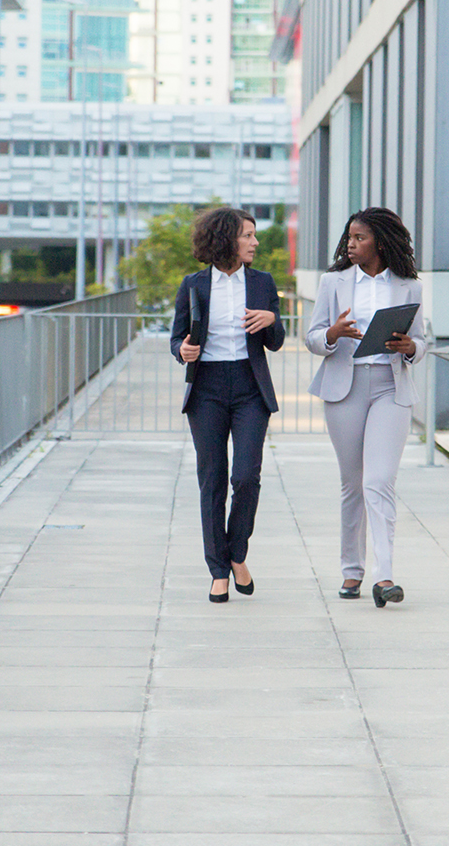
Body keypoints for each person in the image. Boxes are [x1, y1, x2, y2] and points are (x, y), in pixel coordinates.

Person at [306, 207, 428, 609]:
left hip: (390, 388)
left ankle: (385, 575)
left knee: (379, 480)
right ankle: (351, 570)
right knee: (353, 483)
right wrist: (332, 333)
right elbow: (312, 337)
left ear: (380, 241)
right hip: (346, 387)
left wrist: (410, 347)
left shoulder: (409, 286)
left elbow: (421, 341)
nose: (351, 244)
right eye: (349, 238)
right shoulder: (333, 282)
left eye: (360, 238)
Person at [171, 206, 285, 604]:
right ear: (225, 240)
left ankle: (237, 551)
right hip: (207, 389)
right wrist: (182, 350)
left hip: (251, 388)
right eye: (247, 235)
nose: (255, 242)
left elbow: (276, 341)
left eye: (254, 235)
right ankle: (219, 570)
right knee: (213, 480)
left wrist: (271, 320)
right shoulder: (194, 285)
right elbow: (177, 338)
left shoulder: (262, 282)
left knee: (246, 476)